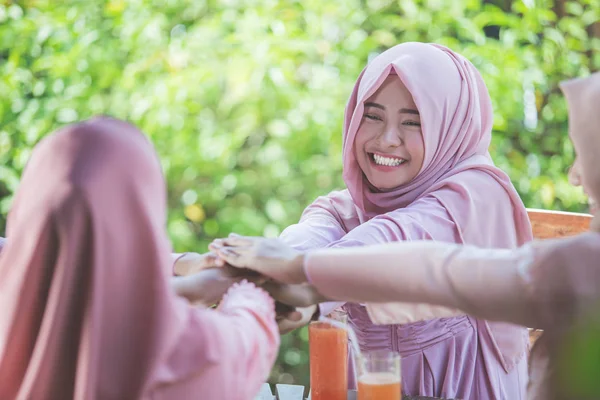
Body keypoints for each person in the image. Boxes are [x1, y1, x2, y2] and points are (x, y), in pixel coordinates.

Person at [212, 72, 600, 400]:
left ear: (450, 124)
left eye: (413, 121)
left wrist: (302, 276)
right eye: (372, 116)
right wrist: (256, 271)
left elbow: (416, 252)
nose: (387, 139)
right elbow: (318, 229)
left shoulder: (477, 193)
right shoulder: (357, 203)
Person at [0, 117, 279, 400]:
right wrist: (248, 289)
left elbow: (71, 265)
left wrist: (186, 274)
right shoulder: (180, 350)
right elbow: (244, 346)